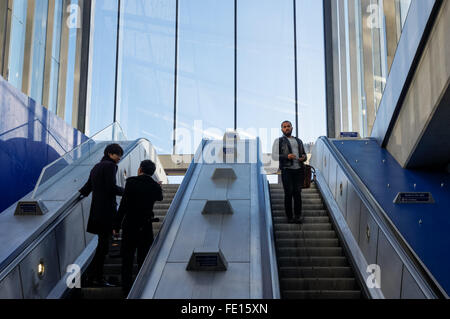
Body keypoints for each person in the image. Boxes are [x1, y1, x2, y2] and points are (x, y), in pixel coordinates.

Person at [114, 160, 163, 294]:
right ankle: (143, 288)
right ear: (152, 172)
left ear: (140, 169)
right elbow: (160, 198)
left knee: (127, 258)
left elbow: (123, 205)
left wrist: (117, 226)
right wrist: (158, 186)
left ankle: (126, 289)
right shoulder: (154, 186)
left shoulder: (131, 182)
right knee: (144, 258)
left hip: (130, 225)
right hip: (145, 226)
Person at [79, 143, 125, 287]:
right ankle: (96, 277)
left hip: (96, 213)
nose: (119, 158)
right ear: (110, 154)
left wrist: (79, 195)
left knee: (102, 246)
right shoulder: (111, 166)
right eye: (118, 155)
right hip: (106, 212)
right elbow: (111, 187)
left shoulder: (96, 167)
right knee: (103, 247)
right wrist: (127, 191)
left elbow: (87, 188)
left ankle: (94, 276)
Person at [272, 121, 307, 224]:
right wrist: (287, 156)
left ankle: (298, 216)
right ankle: (289, 217)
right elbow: (274, 156)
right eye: (284, 127)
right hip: (287, 169)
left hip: (299, 169)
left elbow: (304, 154)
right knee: (289, 193)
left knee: (297, 194)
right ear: (282, 129)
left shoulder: (299, 141)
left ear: (292, 128)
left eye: (288, 126)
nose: (286, 128)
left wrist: (304, 157)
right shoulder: (278, 141)